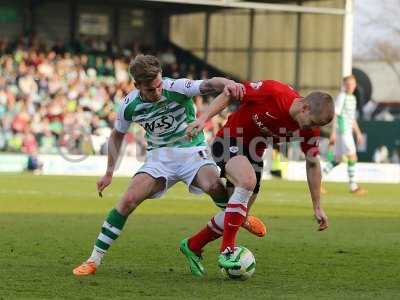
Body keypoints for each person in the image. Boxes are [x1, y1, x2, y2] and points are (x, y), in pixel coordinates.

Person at [72, 55, 265, 276]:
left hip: (193, 152)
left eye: (159, 84)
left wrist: (228, 84)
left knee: (214, 186)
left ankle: (241, 217)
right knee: (127, 200)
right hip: (159, 158)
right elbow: (117, 136)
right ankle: (94, 260)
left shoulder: (176, 87)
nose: (158, 91)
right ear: (137, 86)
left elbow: (210, 84)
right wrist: (108, 173)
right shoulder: (128, 105)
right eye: (151, 89)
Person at [181, 79, 334, 272]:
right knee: (247, 181)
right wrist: (203, 120)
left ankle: (193, 245)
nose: (310, 128)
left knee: (235, 212)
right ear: (304, 108)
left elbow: (313, 163)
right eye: (311, 122)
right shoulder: (273, 92)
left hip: (254, 154)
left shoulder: (311, 129)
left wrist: (317, 205)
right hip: (229, 139)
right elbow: (230, 92)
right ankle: (228, 250)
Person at [322, 75, 366, 194]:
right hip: (343, 131)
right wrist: (333, 133)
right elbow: (335, 115)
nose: (350, 86)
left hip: (347, 131)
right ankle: (353, 187)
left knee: (337, 159)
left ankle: (318, 180)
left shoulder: (353, 98)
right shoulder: (342, 96)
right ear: (344, 85)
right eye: (347, 84)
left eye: (352, 84)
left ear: (355, 85)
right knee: (352, 156)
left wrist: (358, 133)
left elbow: (352, 118)